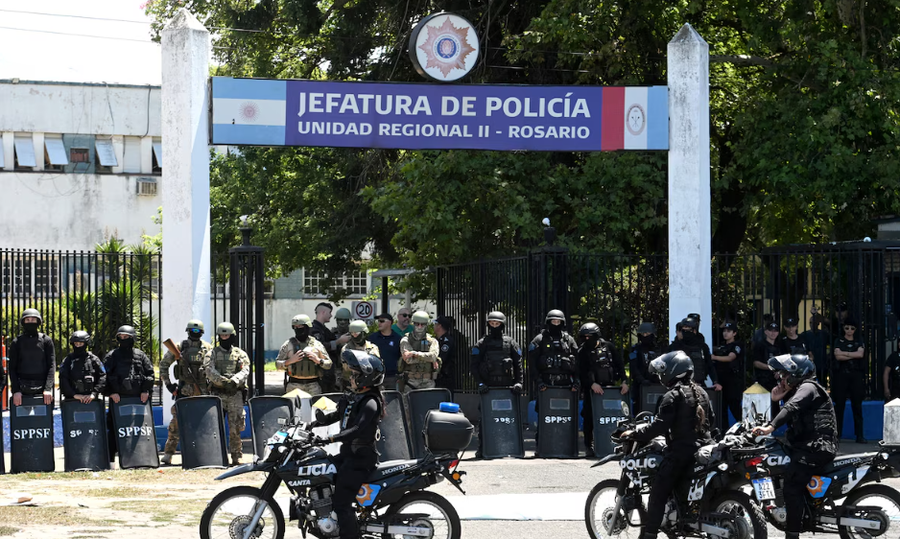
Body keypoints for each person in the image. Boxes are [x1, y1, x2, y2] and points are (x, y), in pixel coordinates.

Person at [621, 351, 713, 539]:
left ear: (672, 371)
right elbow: (710, 419)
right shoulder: (702, 392)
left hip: (682, 453)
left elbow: (659, 426)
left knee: (657, 493)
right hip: (705, 448)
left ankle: (650, 534)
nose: (660, 376)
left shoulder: (672, 396)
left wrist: (635, 434)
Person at [752, 354, 837, 539]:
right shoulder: (799, 389)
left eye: (784, 375)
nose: (781, 379)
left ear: (797, 373)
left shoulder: (808, 387)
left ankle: (792, 534)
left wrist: (769, 428)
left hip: (816, 448)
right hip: (806, 446)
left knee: (792, 486)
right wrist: (777, 399)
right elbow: (786, 410)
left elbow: (792, 408)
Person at [311, 350, 385, 539]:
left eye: (355, 374)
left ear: (366, 378)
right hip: (347, 456)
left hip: (360, 460)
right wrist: (313, 424)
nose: (351, 377)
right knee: (322, 473)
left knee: (342, 503)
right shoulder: (354, 397)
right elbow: (337, 415)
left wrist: (331, 439)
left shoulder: (371, 402)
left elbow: (358, 429)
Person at [159, 319, 213, 465]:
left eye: (197, 331)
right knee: (176, 423)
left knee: (203, 423)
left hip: (202, 391)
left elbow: (213, 368)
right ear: (188, 332)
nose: (195, 334)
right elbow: (164, 365)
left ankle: (204, 453)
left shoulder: (207, 348)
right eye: (192, 331)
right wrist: (169, 385)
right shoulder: (179, 347)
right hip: (184, 390)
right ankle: (168, 453)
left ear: (201, 332)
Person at [471, 311, 524, 458]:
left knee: (508, 418)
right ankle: (483, 448)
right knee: (485, 420)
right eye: (492, 323)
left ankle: (510, 447)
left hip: (507, 387)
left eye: (497, 324)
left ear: (502, 325)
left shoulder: (511, 342)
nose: (494, 326)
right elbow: (474, 366)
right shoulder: (482, 343)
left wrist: (519, 383)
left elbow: (518, 364)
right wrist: (480, 383)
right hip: (488, 388)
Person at [529, 309, 579, 455]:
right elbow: (532, 364)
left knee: (565, 418)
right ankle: (542, 448)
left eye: (558, 322)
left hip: (565, 385)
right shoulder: (539, 340)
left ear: (562, 323)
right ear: (548, 322)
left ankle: (567, 448)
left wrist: (576, 381)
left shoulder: (569, 340)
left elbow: (577, 362)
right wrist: (538, 382)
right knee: (544, 417)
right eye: (553, 321)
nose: (555, 324)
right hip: (546, 385)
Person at [104, 325, 154, 461]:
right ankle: (111, 461)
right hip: (118, 401)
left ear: (132, 338)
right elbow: (104, 377)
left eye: (126, 337)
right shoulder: (112, 356)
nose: (123, 339)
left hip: (138, 400)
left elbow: (150, 374)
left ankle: (140, 459)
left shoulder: (140, 355)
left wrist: (145, 390)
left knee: (139, 430)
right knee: (114, 431)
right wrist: (111, 392)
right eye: (121, 337)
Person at [577, 323, 628, 457]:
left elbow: (619, 364)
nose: (587, 339)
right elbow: (580, 372)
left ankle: (614, 444)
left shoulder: (609, 347)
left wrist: (624, 381)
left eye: (590, 336)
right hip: (592, 391)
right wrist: (591, 384)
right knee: (589, 417)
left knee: (613, 417)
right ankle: (589, 445)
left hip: (610, 388)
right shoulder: (582, 352)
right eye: (584, 337)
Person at [203, 322, 250, 465]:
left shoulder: (240, 354)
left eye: (227, 335)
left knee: (235, 427)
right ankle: (215, 455)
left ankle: (236, 456)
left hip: (235, 394)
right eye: (222, 335)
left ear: (232, 336)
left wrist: (234, 381)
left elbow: (245, 370)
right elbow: (209, 370)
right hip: (218, 394)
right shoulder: (212, 353)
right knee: (215, 426)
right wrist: (223, 381)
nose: (224, 337)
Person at [8, 308, 55, 406]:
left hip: (42, 388)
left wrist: (47, 389)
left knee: (43, 419)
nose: (30, 322)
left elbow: (51, 366)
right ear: (23, 322)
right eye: (27, 320)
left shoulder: (46, 341)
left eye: (33, 320)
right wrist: (16, 390)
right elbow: (12, 368)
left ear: (38, 322)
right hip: (22, 388)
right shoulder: (17, 342)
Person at [276, 314, 331, 396]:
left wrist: (318, 360)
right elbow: (277, 364)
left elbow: (329, 364)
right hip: (294, 385)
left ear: (307, 327)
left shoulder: (317, 344)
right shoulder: (288, 344)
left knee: (315, 408)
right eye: (295, 327)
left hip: (313, 386)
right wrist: (289, 361)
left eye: (300, 326)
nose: (297, 329)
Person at [831, 318, 866, 443]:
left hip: (856, 375)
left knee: (857, 405)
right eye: (847, 328)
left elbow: (860, 355)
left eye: (852, 328)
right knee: (839, 406)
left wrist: (844, 353)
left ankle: (860, 435)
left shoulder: (859, 341)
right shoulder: (838, 340)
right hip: (841, 375)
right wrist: (852, 353)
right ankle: (837, 435)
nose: (849, 331)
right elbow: (837, 356)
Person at [669, 318, 720, 390]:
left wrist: (715, 382)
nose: (685, 332)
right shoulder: (675, 346)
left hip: (698, 385)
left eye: (688, 330)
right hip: (680, 386)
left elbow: (710, 365)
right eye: (684, 330)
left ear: (694, 331)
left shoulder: (702, 347)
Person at [311, 303, 350, 393]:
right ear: (323, 312)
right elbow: (319, 347)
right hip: (324, 371)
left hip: (335, 371)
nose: (331, 315)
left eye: (345, 320)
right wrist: (338, 341)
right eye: (329, 312)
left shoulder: (324, 330)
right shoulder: (315, 329)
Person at [398, 311, 440, 392]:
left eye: (422, 324)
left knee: (429, 404)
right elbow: (408, 360)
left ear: (426, 325)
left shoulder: (432, 340)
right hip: (410, 382)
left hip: (428, 382)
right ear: (413, 324)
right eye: (417, 324)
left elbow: (433, 356)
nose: (419, 327)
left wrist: (414, 354)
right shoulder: (406, 339)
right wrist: (428, 358)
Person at [59, 331, 106, 403]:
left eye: (80, 344)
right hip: (72, 399)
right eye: (76, 344)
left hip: (91, 399)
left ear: (86, 344)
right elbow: (63, 378)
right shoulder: (68, 360)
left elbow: (102, 376)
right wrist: (73, 394)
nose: (78, 346)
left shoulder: (93, 359)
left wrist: (94, 393)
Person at [711, 321, 744, 422]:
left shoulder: (737, 345)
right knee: (722, 408)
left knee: (735, 407)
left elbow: (730, 358)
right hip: (721, 380)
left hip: (732, 381)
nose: (725, 333)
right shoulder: (721, 346)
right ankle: (723, 431)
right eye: (724, 331)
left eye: (729, 331)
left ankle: (744, 427)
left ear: (734, 333)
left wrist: (715, 357)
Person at [753, 320, 783, 419]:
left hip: (776, 380)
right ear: (765, 331)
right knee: (763, 406)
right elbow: (756, 363)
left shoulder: (780, 346)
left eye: (775, 331)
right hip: (763, 380)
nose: (773, 333)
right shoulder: (760, 345)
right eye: (770, 330)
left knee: (775, 406)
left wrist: (780, 372)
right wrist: (771, 368)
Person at [629, 322, 660, 413]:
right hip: (640, 386)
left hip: (656, 385)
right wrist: (641, 380)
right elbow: (633, 367)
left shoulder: (658, 349)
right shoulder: (635, 349)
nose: (645, 336)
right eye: (643, 334)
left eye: (647, 334)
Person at [340, 320, 381, 388]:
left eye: (356, 333)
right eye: (352, 333)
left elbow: (376, 365)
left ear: (364, 333)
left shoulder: (372, 347)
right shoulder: (346, 349)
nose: (354, 336)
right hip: (351, 384)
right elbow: (346, 367)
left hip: (369, 383)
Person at [369, 313, 402, 389]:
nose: (379, 323)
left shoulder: (398, 338)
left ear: (390, 322)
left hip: (392, 377)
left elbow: (401, 357)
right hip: (376, 377)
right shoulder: (372, 338)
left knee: (393, 399)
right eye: (378, 321)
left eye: (382, 321)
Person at [801, 312, 831, 387]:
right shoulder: (804, 334)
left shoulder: (824, 334)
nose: (812, 324)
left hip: (822, 364)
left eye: (814, 322)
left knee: (822, 386)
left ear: (818, 323)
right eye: (810, 322)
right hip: (809, 365)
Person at [434, 316, 457, 395]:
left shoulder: (447, 341)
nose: (434, 326)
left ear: (439, 326)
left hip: (445, 376)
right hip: (439, 377)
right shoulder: (437, 340)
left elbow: (442, 358)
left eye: (435, 324)